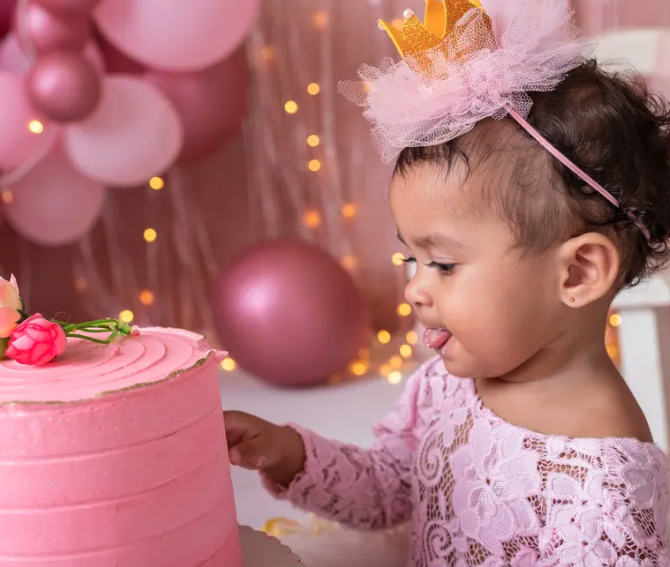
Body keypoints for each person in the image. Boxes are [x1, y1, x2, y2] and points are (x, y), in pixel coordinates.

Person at [224, 0, 670, 565]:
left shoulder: (603, 487)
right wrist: (289, 453)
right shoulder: (447, 384)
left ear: (577, 273)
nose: (414, 287)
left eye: (443, 264)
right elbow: (392, 488)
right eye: (410, 257)